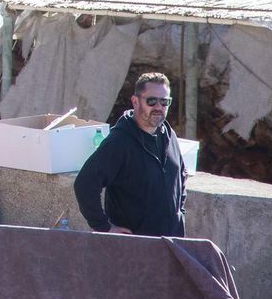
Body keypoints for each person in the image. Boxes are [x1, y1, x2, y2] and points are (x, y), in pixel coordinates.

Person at [73, 72, 187, 237]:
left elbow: (181, 176)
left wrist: (179, 214)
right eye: (151, 101)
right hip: (134, 248)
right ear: (135, 101)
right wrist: (104, 227)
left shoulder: (169, 136)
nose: (158, 107)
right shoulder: (119, 142)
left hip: (171, 244)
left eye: (164, 102)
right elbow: (85, 184)